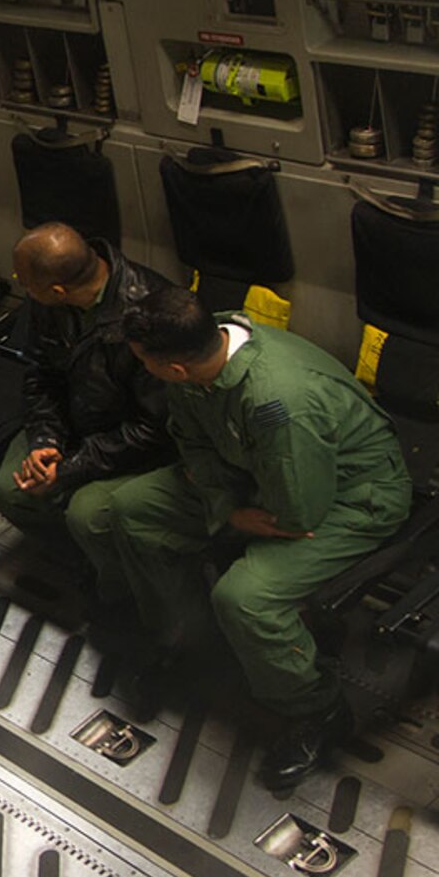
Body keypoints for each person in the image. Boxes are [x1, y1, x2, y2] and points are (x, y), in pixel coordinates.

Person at [112, 287, 411, 787]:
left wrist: (231, 517)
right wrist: (228, 508)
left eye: (146, 361)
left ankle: (319, 709)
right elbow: (193, 441)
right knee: (133, 510)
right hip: (252, 476)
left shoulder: (278, 400)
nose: (142, 367)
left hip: (352, 496)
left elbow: (298, 510)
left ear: (175, 368)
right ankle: (187, 635)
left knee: (247, 597)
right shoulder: (202, 360)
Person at [0, 224, 173, 607]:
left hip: (135, 446)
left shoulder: (148, 312)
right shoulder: (51, 303)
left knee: (87, 514)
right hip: (74, 426)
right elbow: (41, 374)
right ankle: (83, 559)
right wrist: (45, 443)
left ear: (58, 290)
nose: (23, 287)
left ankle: (122, 594)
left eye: (26, 282)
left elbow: (154, 428)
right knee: (9, 488)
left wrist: (71, 469)